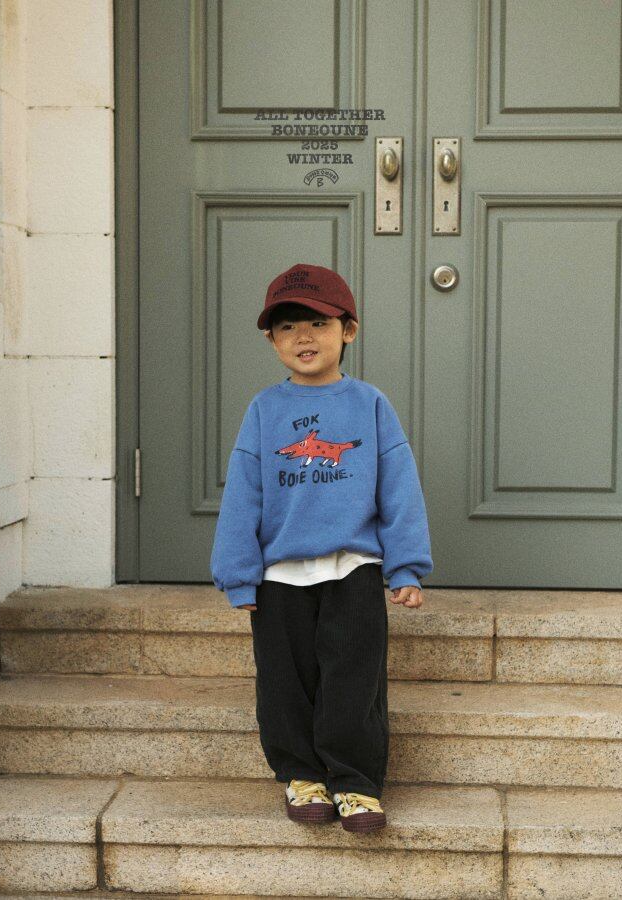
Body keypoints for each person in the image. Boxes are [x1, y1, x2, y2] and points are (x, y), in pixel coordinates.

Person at [210, 262, 433, 833]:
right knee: (283, 683)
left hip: (353, 569)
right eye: (287, 326)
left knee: (353, 681)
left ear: (348, 330)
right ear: (272, 339)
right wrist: (238, 572)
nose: (303, 336)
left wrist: (406, 567)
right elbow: (243, 493)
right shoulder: (264, 409)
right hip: (278, 577)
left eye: (318, 322)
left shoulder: (370, 405)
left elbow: (399, 488)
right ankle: (301, 776)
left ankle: (355, 782)